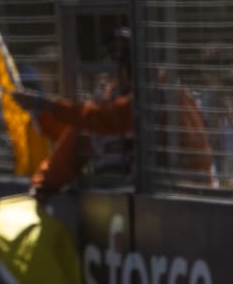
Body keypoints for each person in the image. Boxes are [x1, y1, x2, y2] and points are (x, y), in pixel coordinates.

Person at [11, 27, 215, 196]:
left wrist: (47, 105)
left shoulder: (163, 95)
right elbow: (77, 138)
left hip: (183, 193)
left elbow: (106, 118)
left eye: (125, 61)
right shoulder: (109, 95)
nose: (117, 71)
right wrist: (43, 184)